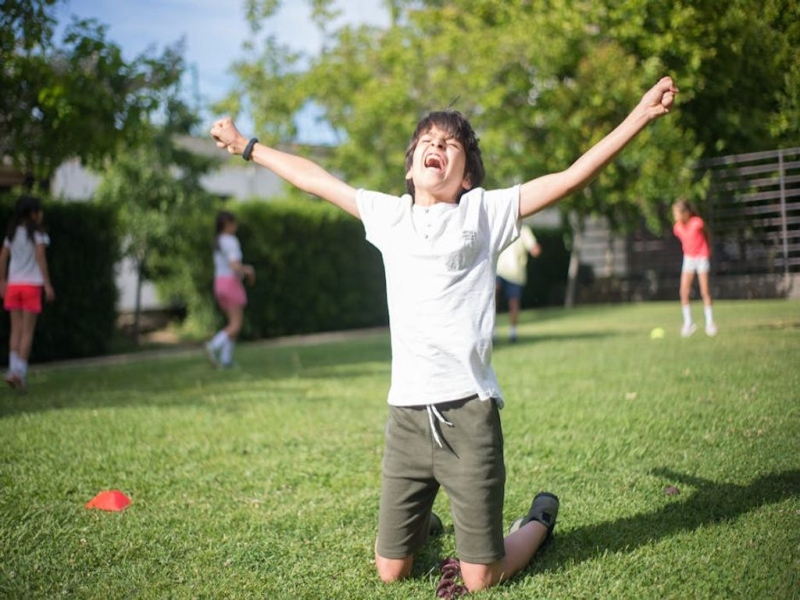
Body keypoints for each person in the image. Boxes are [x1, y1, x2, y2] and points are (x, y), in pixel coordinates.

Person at [210, 75, 678, 592]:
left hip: (468, 417)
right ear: (411, 168)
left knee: (481, 578)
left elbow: (569, 177)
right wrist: (247, 146)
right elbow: (315, 179)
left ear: (467, 176)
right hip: (406, 418)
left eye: (451, 144)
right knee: (390, 572)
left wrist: (638, 115)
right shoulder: (390, 217)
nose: (438, 146)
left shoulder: (484, 213)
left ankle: (538, 523)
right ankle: (422, 524)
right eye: (428, 141)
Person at [0, 195, 55, 391]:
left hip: (13, 285)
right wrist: (47, 284)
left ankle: (12, 369)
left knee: (15, 330)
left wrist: (2, 281)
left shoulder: (12, 233)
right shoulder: (38, 235)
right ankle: (20, 373)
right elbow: (41, 258)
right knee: (27, 332)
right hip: (31, 286)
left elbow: (3, 256)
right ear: (33, 214)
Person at [205, 211, 255, 368]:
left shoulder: (218, 241)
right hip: (230, 284)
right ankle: (213, 346)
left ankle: (226, 360)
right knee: (235, 325)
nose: (236, 226)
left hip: (219, 284)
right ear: (227, 225)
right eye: (234, 222)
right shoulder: (230, 241)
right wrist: (249, 271)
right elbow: (235, 266)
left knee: (231, 324)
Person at [672, 199, 717, 337]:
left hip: (701, 257)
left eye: (677, 213)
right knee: (683, 291)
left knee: (705, 291)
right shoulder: (677, 228)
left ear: (686, 213)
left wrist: (708, 249)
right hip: (689, 259)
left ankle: (710, 323)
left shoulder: (697, 223)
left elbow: (707, 235)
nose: (675, 216)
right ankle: (689, 323)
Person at [496, 223, 541, 342]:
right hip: (499, 270)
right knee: (492, 297)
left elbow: (534, 248)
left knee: (513, 302)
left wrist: (535, 249)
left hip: (516, 273)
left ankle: (512, 332)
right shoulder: (501, 225)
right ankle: (491, 330)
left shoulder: (524, 230)